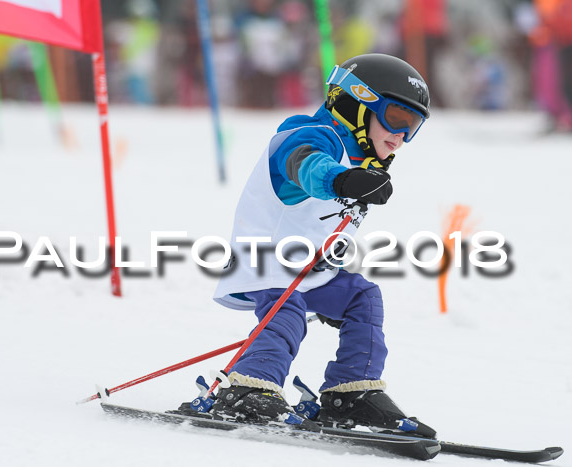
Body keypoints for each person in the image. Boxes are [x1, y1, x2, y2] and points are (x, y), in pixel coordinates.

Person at [180, 54, 435, 439]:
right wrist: (341, 181)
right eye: (397, 118)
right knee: (287, 314)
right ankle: (250, 386)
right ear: (356, 100)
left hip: (311, 270)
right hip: (264, 261)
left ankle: (351, 392)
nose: (402, 135)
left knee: (362, 298)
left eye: (413, 127)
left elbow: (322, 225)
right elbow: (306, 165)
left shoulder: (363, 163)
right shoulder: (309, 134)